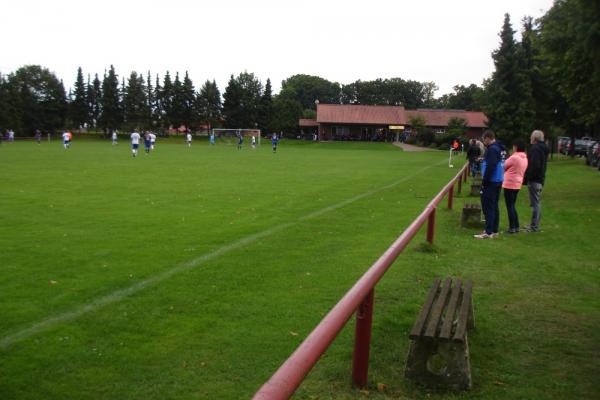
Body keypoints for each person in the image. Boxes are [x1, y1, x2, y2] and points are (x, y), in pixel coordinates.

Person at [474, 130, 505, 239]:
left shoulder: (492, 149)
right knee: (494, 206)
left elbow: (491, 166)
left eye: (484, 140)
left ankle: (488, 232)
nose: (484, 142)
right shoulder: (500, 148)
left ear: (488, 138)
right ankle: (494, 230)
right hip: (498, 180)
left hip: (491, 181)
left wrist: (485, 181)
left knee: (488, 207)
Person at [523, 130, 549, 232]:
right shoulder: (543, 149)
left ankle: (534, 226)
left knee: (536, 203)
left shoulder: (535, 149)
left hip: (535, 179)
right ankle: (534, 224)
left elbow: (534, 165)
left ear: (534, 138)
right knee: (536, 202)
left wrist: (528, 177)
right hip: (540, 178)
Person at [502, 139, 528, 234]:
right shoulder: (525, 158)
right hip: (517, 184)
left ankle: (512, 227)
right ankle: (516, 226)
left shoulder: (514, 157)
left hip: (509, 183)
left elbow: (504, 165)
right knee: (512, 205)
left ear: (516, 147)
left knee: (510, 206)